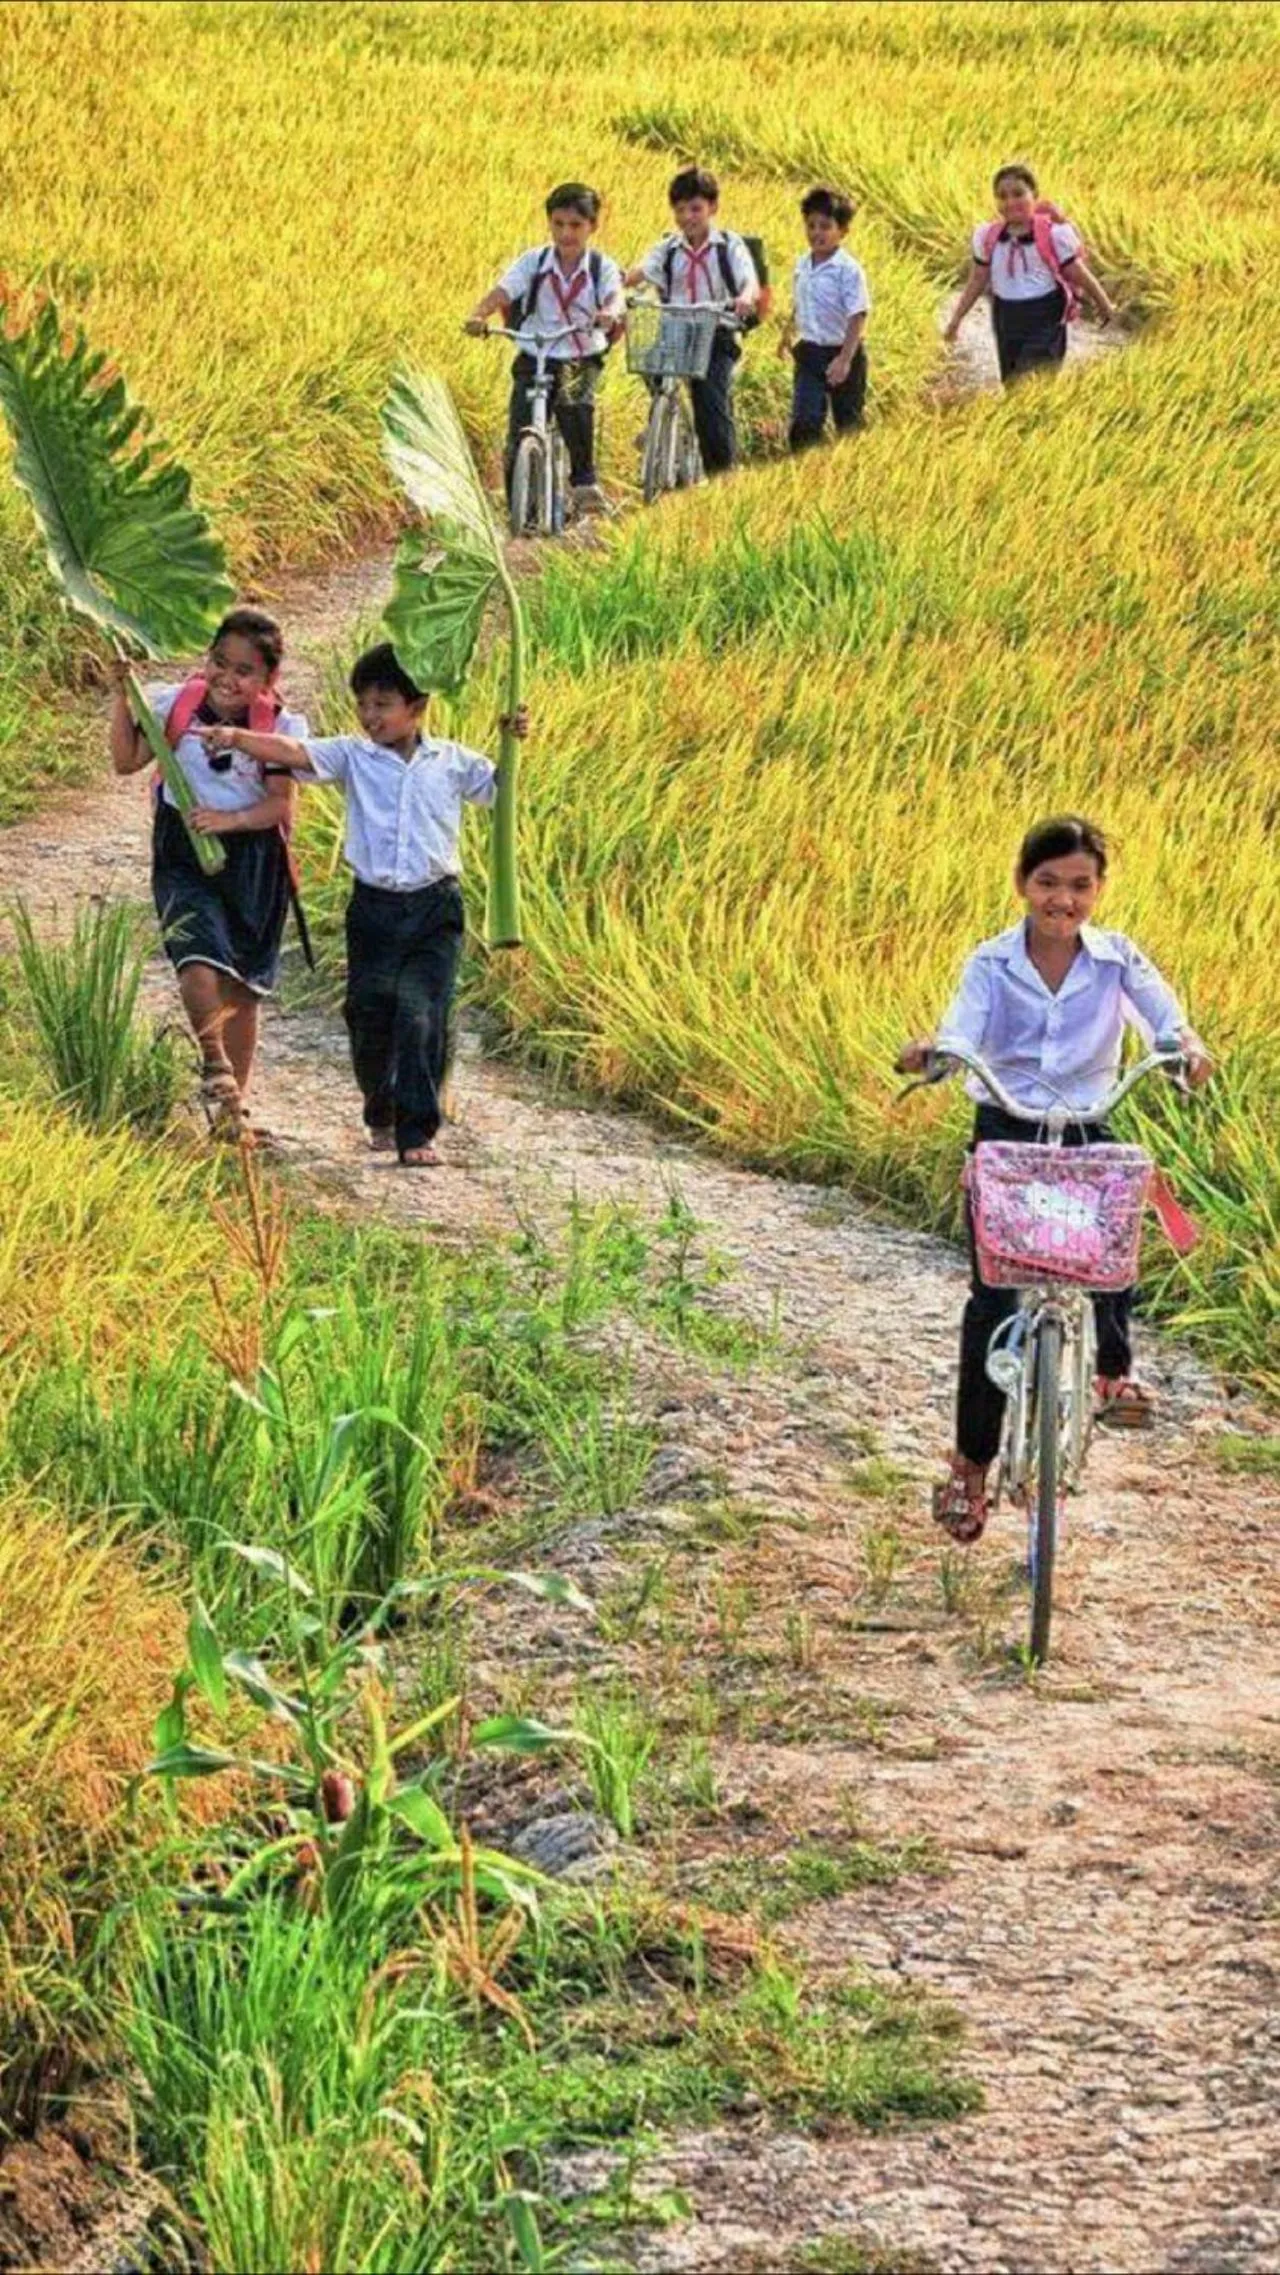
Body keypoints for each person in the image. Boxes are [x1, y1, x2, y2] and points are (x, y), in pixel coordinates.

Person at [897, 815, 1212, 1544]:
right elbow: (961, 1032)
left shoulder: (1118, 959)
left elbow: (1166, 1022)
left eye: (1079, 885)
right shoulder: (991, 963)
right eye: (1047, 882)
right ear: (1022, 883)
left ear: (1097, 891)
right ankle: (970, 1467)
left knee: (1113, 1228)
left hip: (1086, 1122)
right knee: (993, 1299)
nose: (1062, 900)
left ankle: (1112, 1373)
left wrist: (1186, 1049)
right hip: (1007, 1127)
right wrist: (936, 1054)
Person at [195, 643, 527, 1169]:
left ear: (417, 708)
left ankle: (417, 1130)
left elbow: (500, 790)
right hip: (373, 909)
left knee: (422, 1014)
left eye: (383, 705)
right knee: (368, 1013)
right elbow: (295, 752)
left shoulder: (452, 762)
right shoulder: (354, 755)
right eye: (363, 705)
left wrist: (514, 740)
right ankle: (381, 1109)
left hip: (435, 908)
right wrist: (237, 738)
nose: (370, 716)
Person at [109, 605, 308, 1135]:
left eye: (244, 671)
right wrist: (122, 696)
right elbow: (126, 761)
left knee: (242, 988)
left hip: (253, 860)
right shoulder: (177, 705)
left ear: (268, 679)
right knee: (195, 955)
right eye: (220, 662)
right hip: (183, 850)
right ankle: (215, 1063)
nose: (227, 678)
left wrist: (230, 820)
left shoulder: (277, 728)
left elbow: (278, 805)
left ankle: (230, 1115)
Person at [465, 182, 625, 516]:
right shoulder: (534, 262)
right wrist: (479, 314)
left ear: (592, 226)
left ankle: (583, 482)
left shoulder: (601, 267)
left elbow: (615, 296)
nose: (566, 234)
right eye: (558, 224)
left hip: (579, 352)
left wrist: (609, 313)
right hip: (536, 351)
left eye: (576, 225)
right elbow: (504, 291)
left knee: (575, 407)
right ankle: (519, 505)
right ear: (549, 222)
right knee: (519, 426)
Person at [626, 165, 759, 475]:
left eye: (696, 208)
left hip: (717, 331)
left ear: (713, 207)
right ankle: (663, 418)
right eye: (680, 210)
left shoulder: (728, 246)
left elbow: (749, 281)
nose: (688, 217)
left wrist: (744, 298)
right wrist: (615, 282)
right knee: (650, 365)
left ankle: (722, 476)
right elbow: (640, 272)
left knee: (710, 405)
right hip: (676, 330)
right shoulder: (669, 249)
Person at [943, 162, 1119, 386]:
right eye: (1002, 196)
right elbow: (977, 280)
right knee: (1012, 381)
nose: (1010, 202)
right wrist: (956, 319)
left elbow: (1078, 273)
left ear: (1034, 195)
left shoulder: (1054, 236)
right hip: (1006, 316)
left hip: (1045, 314)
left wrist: (1104, 304)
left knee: (1034, 380)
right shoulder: (988, 237)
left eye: (1018, 194)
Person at [778, 184, 870, 451]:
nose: (817, 233)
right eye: (811, 226)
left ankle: (853, 469)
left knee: (848, 425)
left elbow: (858, 315)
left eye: (825, 226)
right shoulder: (802, 264)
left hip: (843, 351)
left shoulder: (848, 270)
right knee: (804, 421)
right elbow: (801, 302)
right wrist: (786, 334)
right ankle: (807, 471)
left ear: (843, 231)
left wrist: (844, 360)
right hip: (809, 352)